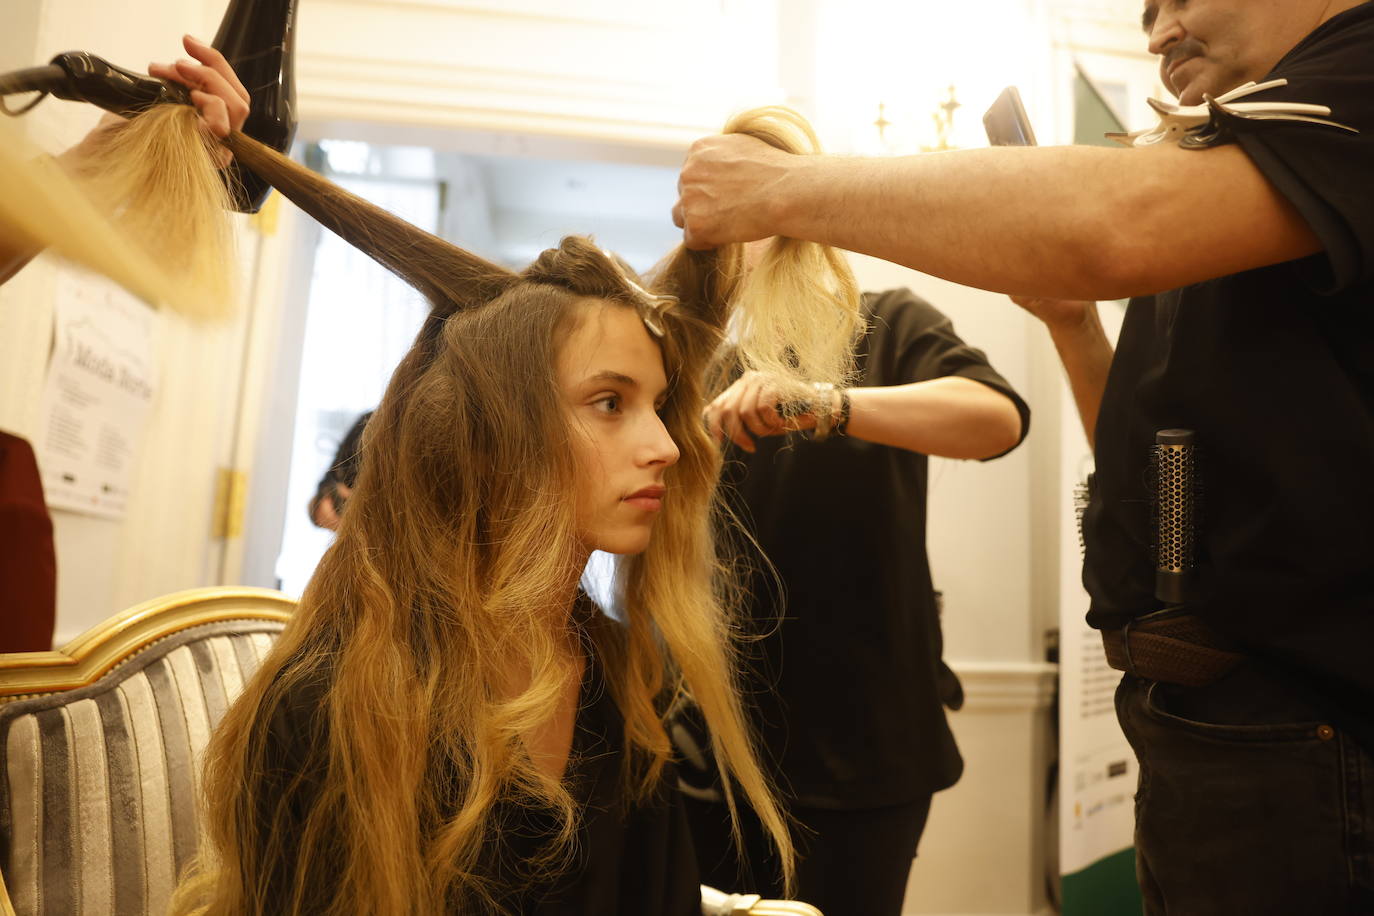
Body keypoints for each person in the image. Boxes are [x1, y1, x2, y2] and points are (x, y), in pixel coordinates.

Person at [672, 1, 1374, 912]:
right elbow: (1149, 482)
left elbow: (1082, 271)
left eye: (1177, 0)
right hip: (1208, 723)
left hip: (1308, 730)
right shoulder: (1250, 195)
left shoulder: (1355, 78)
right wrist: (1076, 332)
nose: (1157, 36)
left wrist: (782, 191)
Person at [680, 286, 1028, 915]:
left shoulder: (883, 323)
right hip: (712, 754)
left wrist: (827, 404)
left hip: (862, 749)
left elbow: (997, 419)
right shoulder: (702, 355)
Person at [308, 410, 372, 531]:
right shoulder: (354, 519)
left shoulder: (340, 473)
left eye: (323, 518)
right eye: (324, 524)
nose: (328, 520)